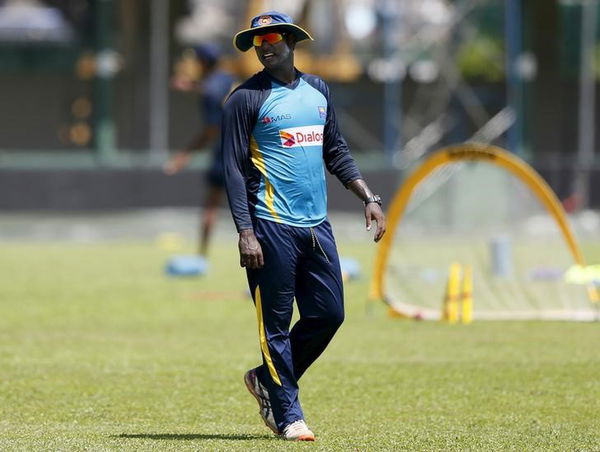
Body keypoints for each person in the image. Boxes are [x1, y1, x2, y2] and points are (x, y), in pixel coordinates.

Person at [222, 11, 386, 441]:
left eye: (273, 36)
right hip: (270, 225)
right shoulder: (245, 99)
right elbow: (234, 171)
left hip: (316, 226)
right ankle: (289, 414)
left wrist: (367, 197)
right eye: (257, 40)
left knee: (329, 314)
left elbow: (336, 151)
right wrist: (245, 230)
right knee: (274, 326)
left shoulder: (318, 90)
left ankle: (264, 379)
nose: (265, 44)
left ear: (292, 40)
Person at [164, 43, 235, 257]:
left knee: (211, 206)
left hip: (225, 153)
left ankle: (202, 256)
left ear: (202, 62)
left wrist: (183, 155)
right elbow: (214, 87)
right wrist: (192, 85)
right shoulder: (229, 79)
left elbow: (211, 131)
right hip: (250, 151)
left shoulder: (209, 93)